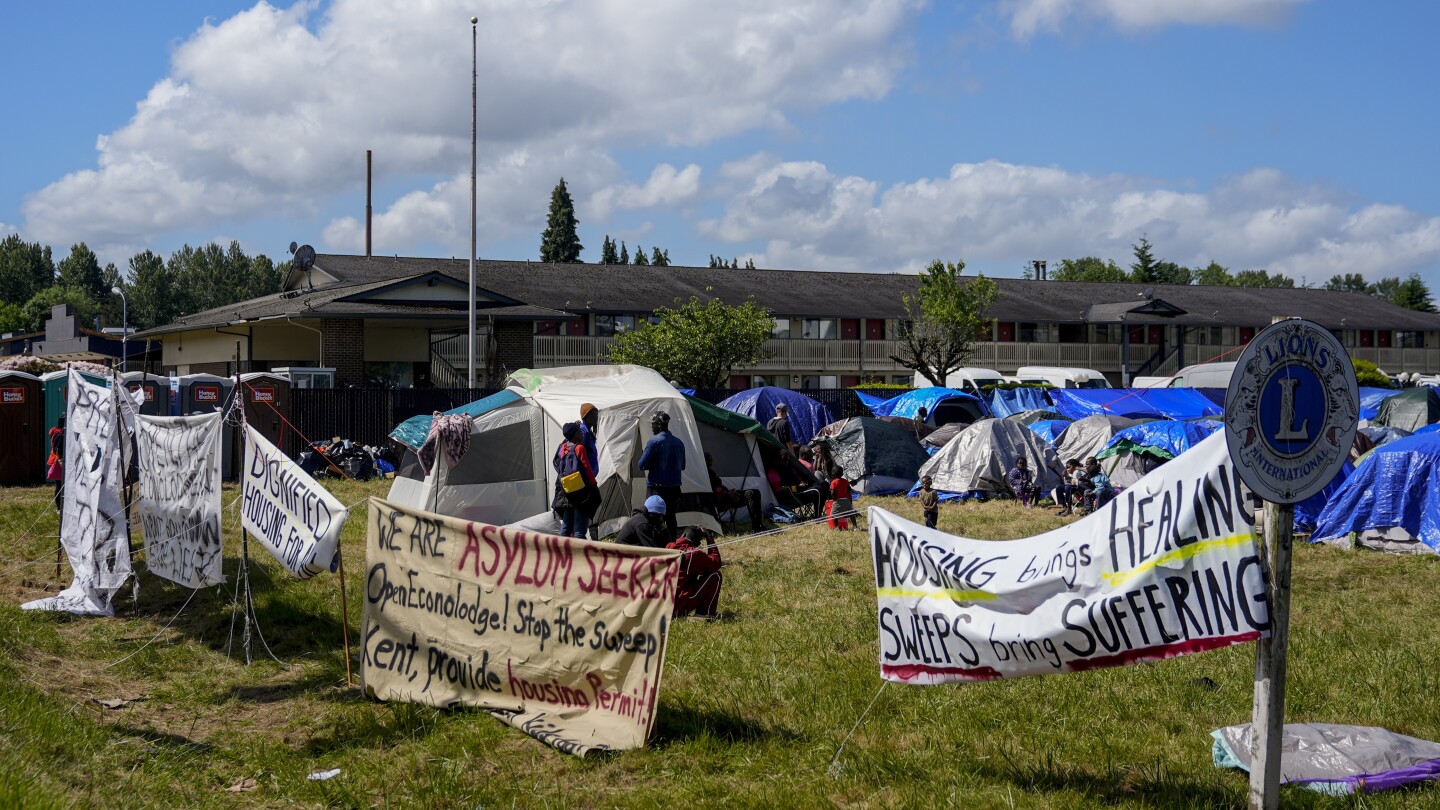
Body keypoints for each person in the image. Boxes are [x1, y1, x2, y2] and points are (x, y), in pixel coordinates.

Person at [638, 411, 686, 538]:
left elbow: (641, 465)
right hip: (675, 488)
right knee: (671, 518)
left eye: (653, 424)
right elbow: (683, 466)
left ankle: (655, 545)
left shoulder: (654, 442)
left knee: (653, 517)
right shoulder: (679, 443)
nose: (652, 426)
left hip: (656, 489)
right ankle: (673, 545)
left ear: (659, 425)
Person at [551, 422, 599, 538]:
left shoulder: (563, 448)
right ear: (575, 434)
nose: (581, 433)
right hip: (580, 492)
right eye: (579, 431)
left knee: (566, 526)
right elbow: (587, 468)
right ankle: (579, 554)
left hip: (567, 492)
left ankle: (562, 551)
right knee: (579, 529)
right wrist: (593, 486)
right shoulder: (579, 448)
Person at [667, 526, 723, 618]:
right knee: (715, 575)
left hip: (664, 604)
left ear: (683, 534)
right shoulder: (694, 554)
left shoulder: (668, 547)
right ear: (697, 543)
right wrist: (709, 537)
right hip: (679, 605)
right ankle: (704, 614)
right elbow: (716, 563)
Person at [706, 451, 764, 533]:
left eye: (711, 460)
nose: (710, 463)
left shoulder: (711, 473)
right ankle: (756, 528)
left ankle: (758, 525)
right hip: (720, 501)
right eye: (708, 460)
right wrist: (726, 493)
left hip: (726, 496)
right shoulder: (704, 475)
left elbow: (719, 487)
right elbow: (712, 491)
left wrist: (728, 491)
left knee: (756, 492)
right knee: (752, 494)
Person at [47, 416, 66, 510]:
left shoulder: (59, 433)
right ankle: (59, 507)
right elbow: (57, 450)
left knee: (62, 485)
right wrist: (62, 460)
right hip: (58, 462)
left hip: (58, 461)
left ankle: (62, 506)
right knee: (59, 486)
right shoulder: (59, 434)